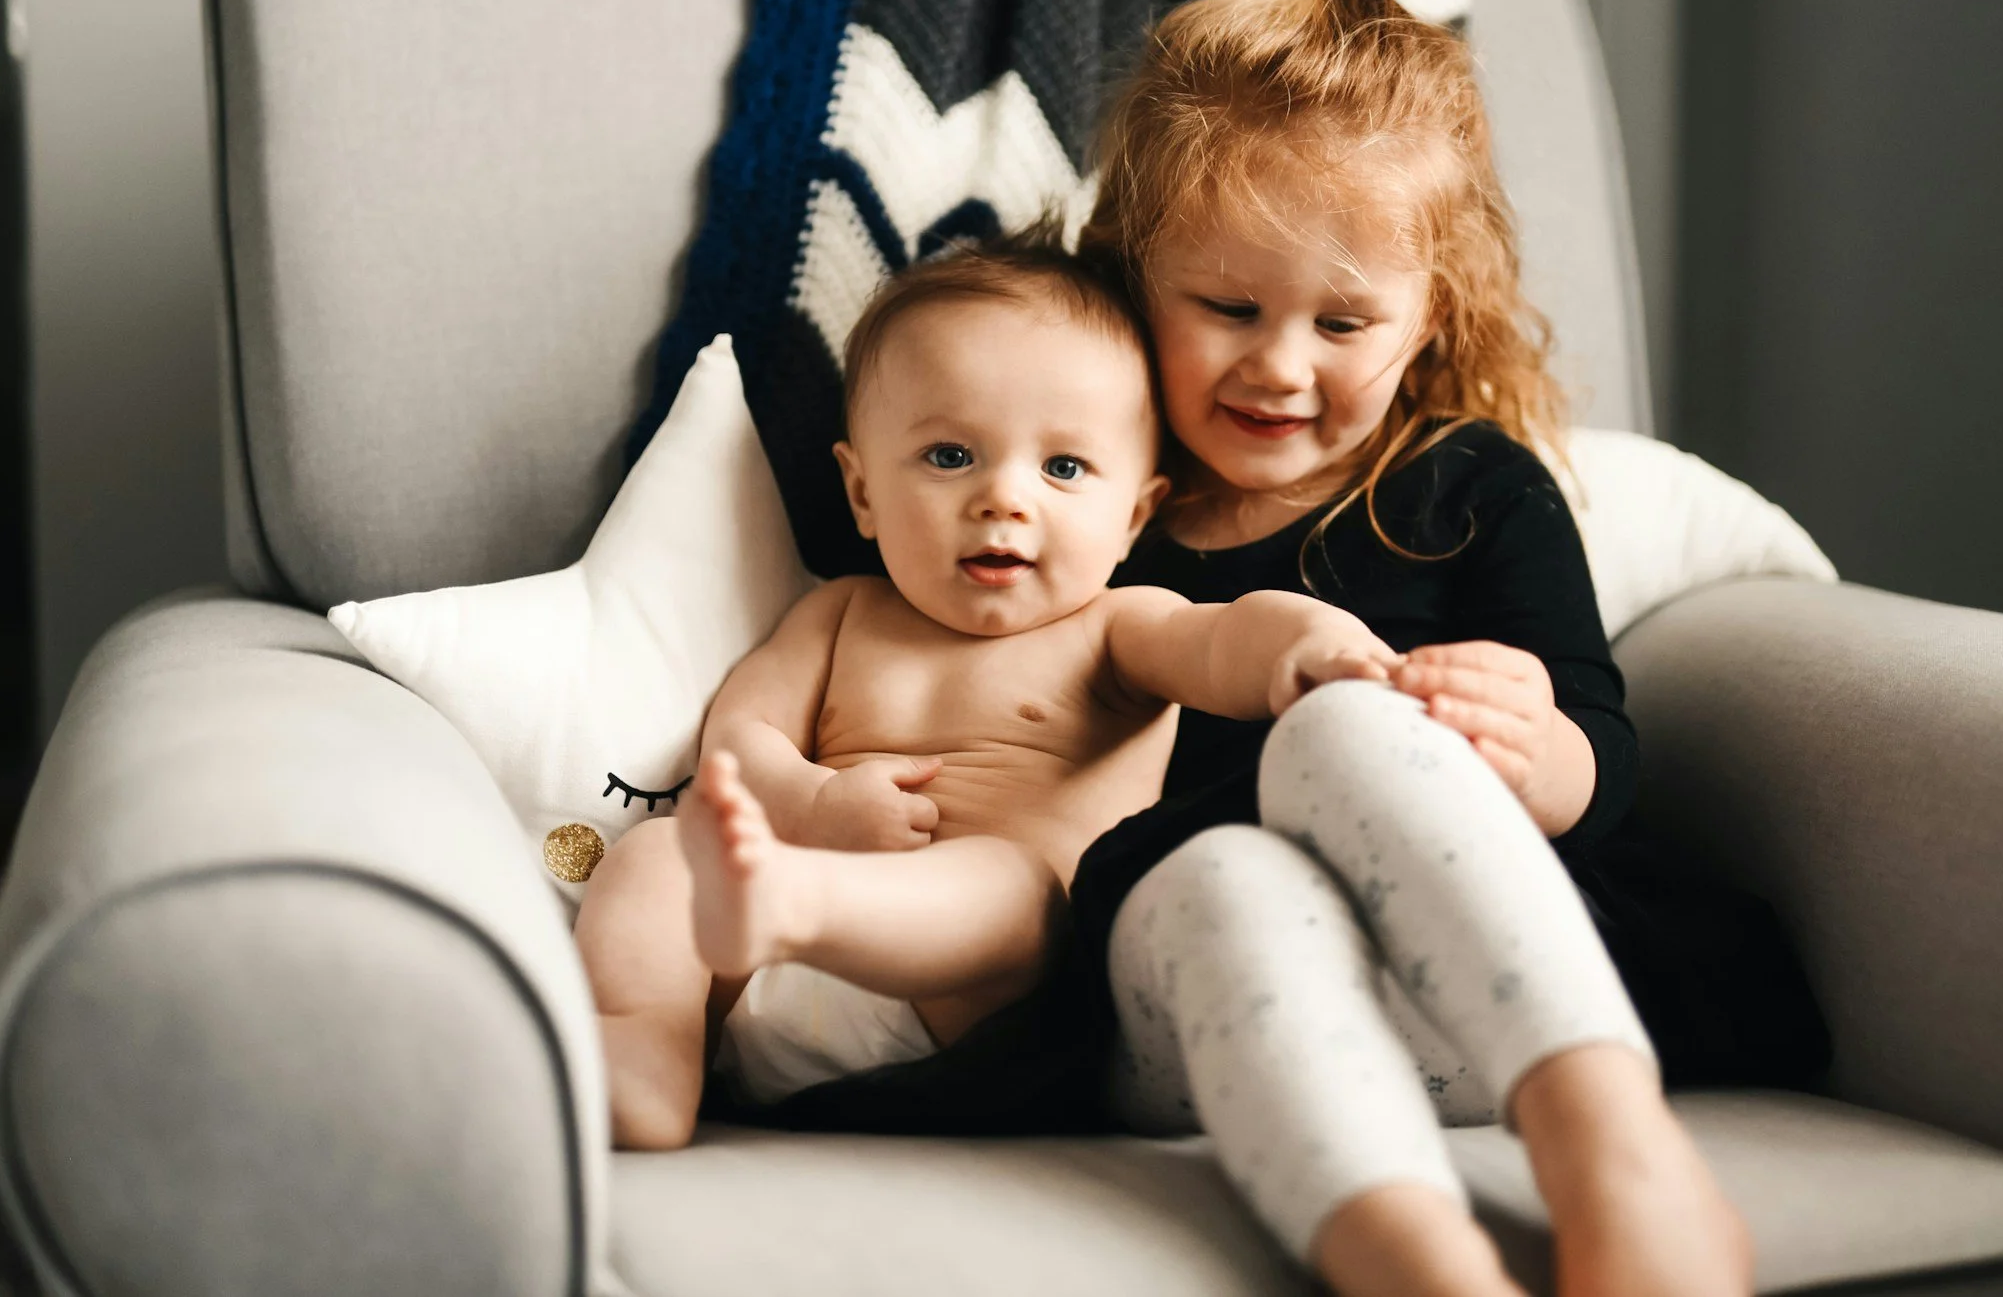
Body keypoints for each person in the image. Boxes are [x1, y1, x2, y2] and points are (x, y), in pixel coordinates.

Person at [1057, 0, 1757, 1297]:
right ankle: (1418, 1266)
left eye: (1342, 321)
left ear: (1428, 312)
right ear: (1133, 276)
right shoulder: (1082, 498)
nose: (1280, 365)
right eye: (1228, 308)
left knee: (1345, 721)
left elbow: (1599, 747)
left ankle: (1613, 1154)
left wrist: (1540, 753)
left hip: (1465, 995)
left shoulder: (1471, 486)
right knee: (1230, 877)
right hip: (1203, 1011)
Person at [574, 235, 1401, 1151]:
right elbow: (738, 738)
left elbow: (1220, 639)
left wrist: (1309, 643)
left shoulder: (1117, 628)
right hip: (761, 971)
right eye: (950, 454)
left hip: (973, 1018)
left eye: (1063, 468)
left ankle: (793, 901)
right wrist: (811, 802)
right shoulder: (843, 613)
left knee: (1017, 887)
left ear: (1133, 516)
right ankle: (643, 1050)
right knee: (654, 855)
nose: (1005, 498)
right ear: (861, 492)